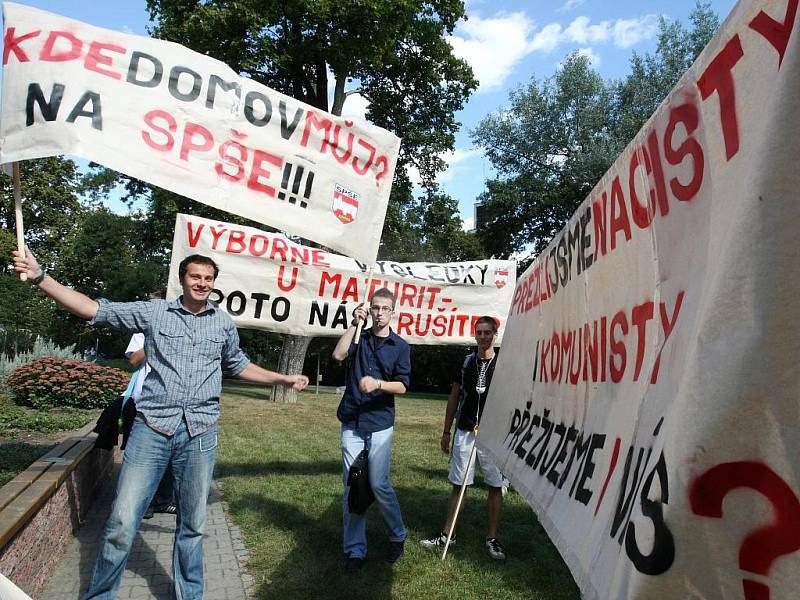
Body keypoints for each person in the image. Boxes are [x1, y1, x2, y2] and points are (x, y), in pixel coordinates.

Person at [12, 248, 309, 600]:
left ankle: (190, 595)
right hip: (152, 429)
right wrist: (42, 277)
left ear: (214, 284)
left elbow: (238, 365)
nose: (202, 283)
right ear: (182, 279)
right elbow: (94, 309)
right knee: (122, 522)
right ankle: (100, 595)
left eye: (208, 278)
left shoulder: (222, 323)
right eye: (195, 276)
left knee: (194, 526)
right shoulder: (155, 312)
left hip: (200, 433)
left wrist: (281, 379)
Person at [332, 288, 411, 571]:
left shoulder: (400, 346)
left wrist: (378, 384)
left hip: (380, 424)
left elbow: (402, 385)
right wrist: (354, 323)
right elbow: (338, 354)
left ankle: (397, 534)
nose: (379, 313)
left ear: (393, 312)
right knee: (353, 486)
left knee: (378, 484)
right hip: (352, 421)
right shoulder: (359, 337)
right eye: (375, 307)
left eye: (384, 309)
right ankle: (355, 550)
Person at [420, 316, 508, 560]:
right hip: (466, 431)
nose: (482, 337)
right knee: (459, 484)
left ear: (495, 334)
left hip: (493, 435)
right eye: (479, 332)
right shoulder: (467, 362)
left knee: (495, 486)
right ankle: (448, 534)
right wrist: (447, 430)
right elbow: (454, 396)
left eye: (487, 332)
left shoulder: (504, 363)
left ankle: (492, 539)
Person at [125, 325, 176, 519]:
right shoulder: (143, 331)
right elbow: (135, 359)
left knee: (171, 457)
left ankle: (163, 501)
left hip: (171, 402)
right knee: (144, 458)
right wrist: (157, 338)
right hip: (144, 404)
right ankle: (143, 503)